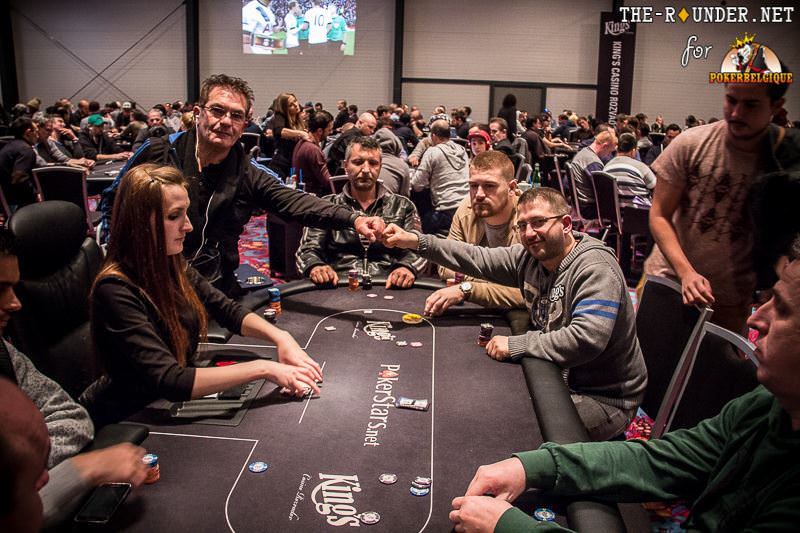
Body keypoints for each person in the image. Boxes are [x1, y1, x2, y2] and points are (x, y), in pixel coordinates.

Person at [449, 259, 800, 533]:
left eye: (782, 309)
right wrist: (533, 466)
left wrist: (509, 526)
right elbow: (662, 461)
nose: (756, 319)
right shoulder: (767, 403)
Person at [384, 187, 646, 440]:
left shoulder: (595, 269)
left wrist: (517, 344)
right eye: (522, 226)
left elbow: (586, 339)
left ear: (566, 224)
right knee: (491, 409)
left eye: (539, 222)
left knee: (513, 433)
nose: (530, 233)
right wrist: (415, 241)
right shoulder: (529, 258)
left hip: (603, 397)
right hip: (557, 376)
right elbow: (475, 257)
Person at [100, 74, 385, 299]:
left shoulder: (249, 173)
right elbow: (113, 203)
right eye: (217, 111)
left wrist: (354, 218)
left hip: (215, 285)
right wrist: (125, 264)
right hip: (150, 281)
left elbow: (295, 201)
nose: (225, 121)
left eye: (236, 116)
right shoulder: (158, 151)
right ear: (198, 113)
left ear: (245, 123)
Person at [84, 164, 323, 426]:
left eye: (186, 213)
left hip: (161, 404)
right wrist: (264, 368)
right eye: (174, 216)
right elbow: (170, 380)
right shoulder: (114, 289)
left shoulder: (170, 263)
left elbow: (226, 309)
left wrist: (281, 337)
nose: (188, 226)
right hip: (125, 419)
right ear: (140, 224)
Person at [644, 80, 798, 334]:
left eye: (751, 105)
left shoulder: (785, 160)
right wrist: (686, 273)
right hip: (669, 281)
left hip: (731, 298)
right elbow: (659, 214)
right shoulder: (691, 143)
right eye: (731, 101)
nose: (736, 113)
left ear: (776, 106)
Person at [296, 136, 422, 286]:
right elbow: (307, 250)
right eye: (358, 162)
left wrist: (406, 267)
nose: (366, 170)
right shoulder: (326, 206)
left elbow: (419, 248)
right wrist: (315, 266)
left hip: (388, 285)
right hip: (339, 284)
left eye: (373, 163)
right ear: (345, 165)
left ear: (380, 166)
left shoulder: (403, 205)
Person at [425, 151, 525, 317]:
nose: (478, 194)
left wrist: (468, 288)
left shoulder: (529, 223)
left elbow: (529, 292)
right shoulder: (466, 210)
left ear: (512, 188)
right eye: (473, 185)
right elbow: (446, 266)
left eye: (489, 186)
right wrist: (497, 283)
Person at [411, 119, 470, 236]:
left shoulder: (433, 152)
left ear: (433, 136)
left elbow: (417, 185)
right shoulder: (462, 150)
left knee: (417, 199)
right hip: (466, 208)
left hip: (445, 213)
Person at [569, 129, 618, 218]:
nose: (608, 155)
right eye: (609, 151)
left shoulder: (583, 152)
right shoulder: (593, 162)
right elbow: (602, 192)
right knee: (622, 208)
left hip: (580, 205)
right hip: (590, 209)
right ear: (604, 146)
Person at [602, 132, 656, 207]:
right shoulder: (641, 167)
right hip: (640, 212)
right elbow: (656, 189)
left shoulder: (606, 168)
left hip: (615, 212)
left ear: (617, 149)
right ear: (633, 151)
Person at [0, 117, 42, 206]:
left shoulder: (10, 145)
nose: (38, 136)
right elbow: (19, 178)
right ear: (28, 132)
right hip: (13, 202)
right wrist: (35, 194)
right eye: (36, 131)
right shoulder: (26, 150)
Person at [291, 110, 333, 195]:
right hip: (313, 196)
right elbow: (328, 182)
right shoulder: (313, 150)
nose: (331, 132)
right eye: (329, 130)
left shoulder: (301, 143)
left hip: (301, 193)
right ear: (320, 131)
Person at [269, 92, 308, 177]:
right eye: (291, 105)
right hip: (280, 165)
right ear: (285, 109)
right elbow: (279, 131)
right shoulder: (280, 116)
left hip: (293, 164)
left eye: (295, 101)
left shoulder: (299, 120)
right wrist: (301, 133)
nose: (296, 105)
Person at [374, 127, 411, 196]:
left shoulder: (366, 162)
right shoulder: (402, 166)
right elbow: (404, 196)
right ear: (396, 145)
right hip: (390, 202)